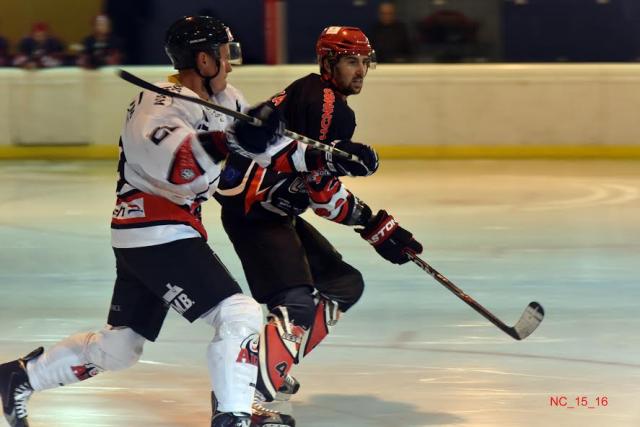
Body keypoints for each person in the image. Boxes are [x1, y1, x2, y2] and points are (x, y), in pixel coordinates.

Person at [0, 16, 296, 427]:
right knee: (239, 313)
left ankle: (20, 377)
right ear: (204, 60)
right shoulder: (155, 105)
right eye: (225, 55)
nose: (231, 64)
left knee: (120, 347)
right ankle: (233, 416)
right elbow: (181, 166)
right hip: (154, 229)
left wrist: (330, 159)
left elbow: (275, 150)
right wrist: (234, 140)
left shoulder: (226, 98)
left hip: (158, 233)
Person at [216, 26, 423, 404]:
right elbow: (319, 189)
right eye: (350, 61)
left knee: (344, 284)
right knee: (296, 303)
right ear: (328, 63)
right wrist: (369, 222)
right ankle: (249, 394)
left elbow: (313, 183)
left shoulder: (314, 93)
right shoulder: (326, 105)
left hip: (269, 210)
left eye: (364, 62)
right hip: (257, 212)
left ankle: (270, 365)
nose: (359, 71)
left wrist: (372, 224)